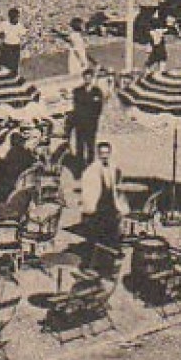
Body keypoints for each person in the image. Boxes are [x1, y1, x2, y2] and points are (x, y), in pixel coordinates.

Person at [77, 141, 128, 273]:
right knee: (97, 238)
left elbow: (117, 191)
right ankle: (93, 266)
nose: (104, 156)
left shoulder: (114, 168)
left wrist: (120, 207)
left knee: (112, 235)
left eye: (107, 153)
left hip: (111, 208)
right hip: (97, 210)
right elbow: (87, 195)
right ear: (98, 154)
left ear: (110, 153)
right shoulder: (90, 172)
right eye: (102, 153)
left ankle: (108, 266)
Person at [69, 69, 105, 170]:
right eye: (86, 77)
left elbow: (99, 108)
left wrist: (94, 120)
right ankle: (79, 167)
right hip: (80, 123)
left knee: (90, 145)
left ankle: (90, 166)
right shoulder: (77, 91)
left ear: (92, 78)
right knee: (79, 146)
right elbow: (75, 107)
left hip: (91, 123)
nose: (87, 79)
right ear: (83, 78)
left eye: (90, 77)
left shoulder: (97, 92)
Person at [0, 7, 27, 72]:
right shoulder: (4, 24)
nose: (17, 18)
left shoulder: (20, 26)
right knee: (2, 66)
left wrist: (23, 45)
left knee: (13, 67)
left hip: (15, 48)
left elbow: (24, 38)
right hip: (5, 47)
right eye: (15, 17)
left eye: (18, 17)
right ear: (10, 17)